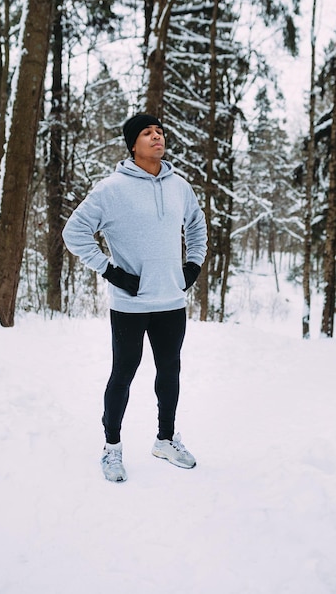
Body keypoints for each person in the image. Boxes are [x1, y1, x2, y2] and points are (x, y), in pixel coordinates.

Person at [62, 113, 207, 482]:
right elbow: (74, 232)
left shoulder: (179, 186)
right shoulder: (111, 189)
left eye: (160, 131)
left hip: (171, 301)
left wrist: (193, 266)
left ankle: (165, 439)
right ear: (133, 145)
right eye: (147, 133)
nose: (157, 136)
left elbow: (196, 224)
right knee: (123, 374)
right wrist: (112, 272)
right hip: (130, 304)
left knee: (170, 371)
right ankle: (112, 448)